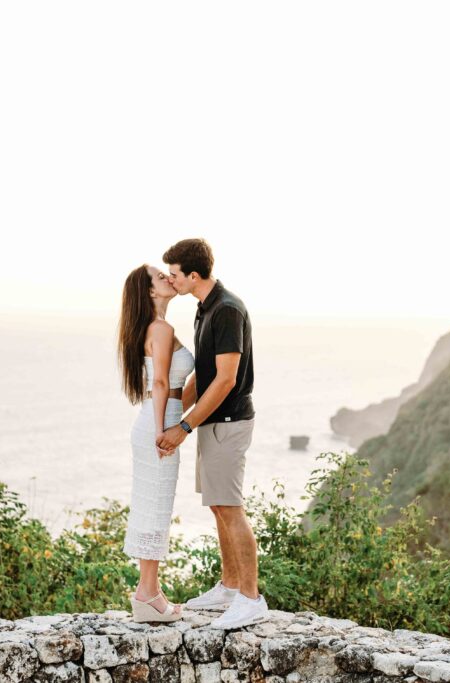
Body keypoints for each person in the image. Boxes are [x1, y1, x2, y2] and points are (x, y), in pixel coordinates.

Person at [156, 238, 268, 630]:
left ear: (194, 275)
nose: (171, 281)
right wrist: (172, 412)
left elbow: (224, 381)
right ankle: (229, 586)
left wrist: (183, 427)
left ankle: (251, 598)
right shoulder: (205, 308)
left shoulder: (227, 310)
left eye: (174, 274)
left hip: (230, 421)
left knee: (231, 507)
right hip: (212, 422)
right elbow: (203, 376)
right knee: (218, 505)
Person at [117, 263, 194, 623]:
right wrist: (166, 430)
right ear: (149, 291)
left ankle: (150, 590)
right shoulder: (160, 329)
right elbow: (162, 383)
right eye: (159, 277)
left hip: (154, 419)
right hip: (158, 422)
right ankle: (146, 594)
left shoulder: (149, 328)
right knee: (155, 506)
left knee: (153, 505)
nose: (167, 278)